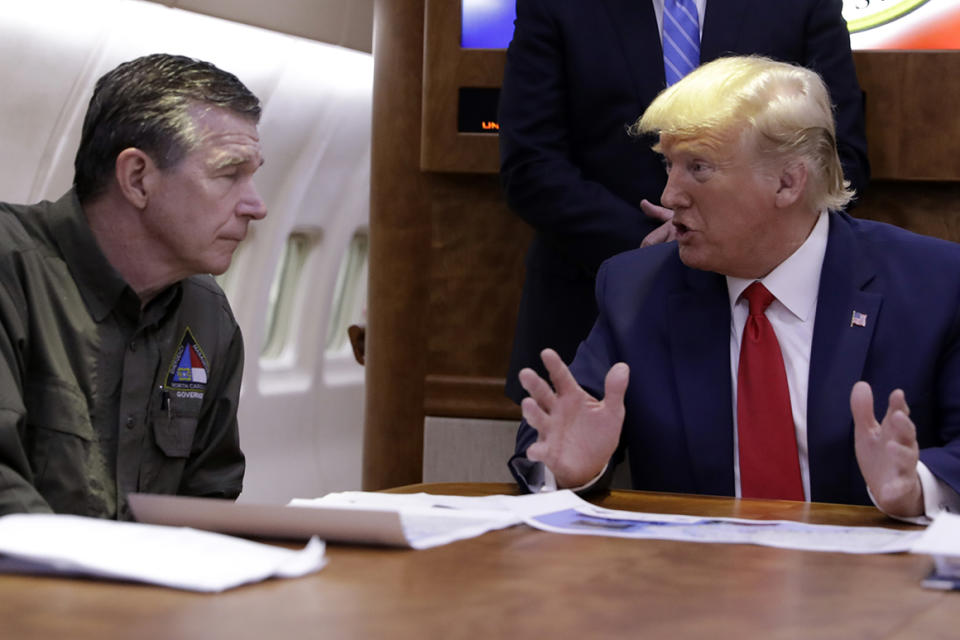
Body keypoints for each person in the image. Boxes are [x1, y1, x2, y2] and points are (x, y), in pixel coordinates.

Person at [509, 55, 960, 520]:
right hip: (697, 579)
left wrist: (918, 488)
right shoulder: (637, 290)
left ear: (788, 182)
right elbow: (562, 433)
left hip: (870, 582)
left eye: (699, 168)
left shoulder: (935, 284)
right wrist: (571, 469)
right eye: (669, 165)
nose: (669, 196)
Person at [499, 0, 870, 405]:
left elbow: (835, 159)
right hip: (591, 305)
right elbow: (531, 165)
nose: (671, 195)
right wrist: (666, 241)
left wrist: (715, 231)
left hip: (768, 307)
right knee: (566, 459)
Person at [0, 53, 267, 519]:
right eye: (229, 174)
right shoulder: (12, 272)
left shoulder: (207, 317)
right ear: (138, 178)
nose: (255, 205)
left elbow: (210, 498)